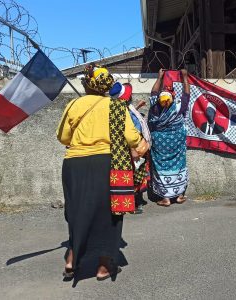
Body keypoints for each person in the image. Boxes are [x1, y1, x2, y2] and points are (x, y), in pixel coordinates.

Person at [56, 64, 146, 280]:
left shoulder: (73, 105)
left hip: (74, 164)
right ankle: (104, 266)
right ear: (106, 86)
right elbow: (132, 137)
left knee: (77, 211)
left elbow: (63, 137)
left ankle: (72, 257)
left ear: (87, 84)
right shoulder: (116, 106)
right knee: (110, 213)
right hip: (107, 163)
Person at [147, 69, 190, 207]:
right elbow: (187, 94)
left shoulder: (155, 108)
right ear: (172, 98)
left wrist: (159, 76)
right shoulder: (178, 107)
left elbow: (153, 92)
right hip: (176, 141)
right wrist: (184, 76)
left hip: (160, 142)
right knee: (179, 164)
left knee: (161, 167)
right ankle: (179, 195)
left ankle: (165, 198)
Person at [109, 82, 151, 214]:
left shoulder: (127, 108)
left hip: (138, 148)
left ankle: (135, 202)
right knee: (135, 176)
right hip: (132, 149)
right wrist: (133, 149)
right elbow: (128, 131)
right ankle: (133, 204)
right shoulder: (124, 110)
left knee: (139, 175)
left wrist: (137, 107)